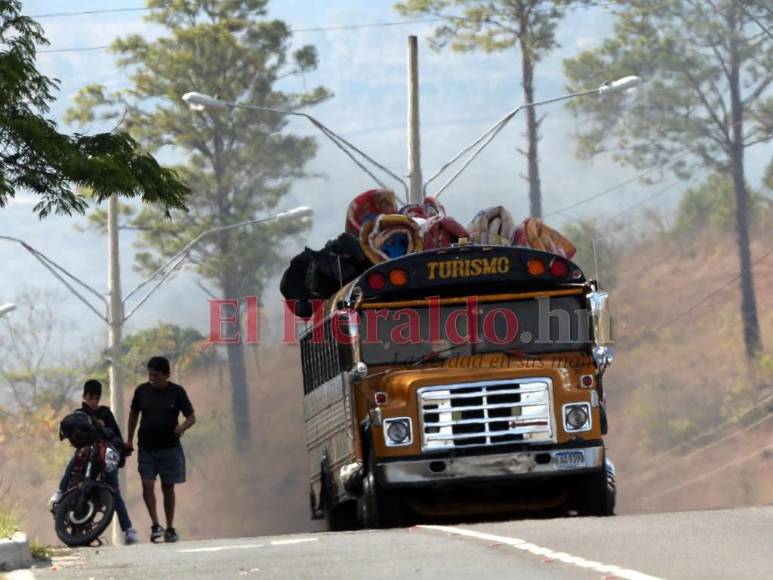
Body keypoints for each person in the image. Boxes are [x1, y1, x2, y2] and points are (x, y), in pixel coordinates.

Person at [49, 380, 139, 545]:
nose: (93, 401)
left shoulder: (105, 413)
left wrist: (119, 443)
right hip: (86, 453)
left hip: (105, 453)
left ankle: (128, 530)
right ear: (84, 396)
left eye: (96, 397)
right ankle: (61, 491)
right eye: (90, 397)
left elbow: (116, 435)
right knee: (74, 460)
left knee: (115, 491)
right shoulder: (79, 413)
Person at [127, 356, 196, 543]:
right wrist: (129, 439)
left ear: (166, 375)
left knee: (168, 487)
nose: (152, 378)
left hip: (169, 448)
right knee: (147, 483)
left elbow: (191, 417)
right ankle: (155, 525)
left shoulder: (177, 392)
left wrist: (182, 427)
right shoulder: (141, 391)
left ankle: (170, 527)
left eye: (156, 375)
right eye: (150, 374)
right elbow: (133, 414)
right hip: (146, 447)